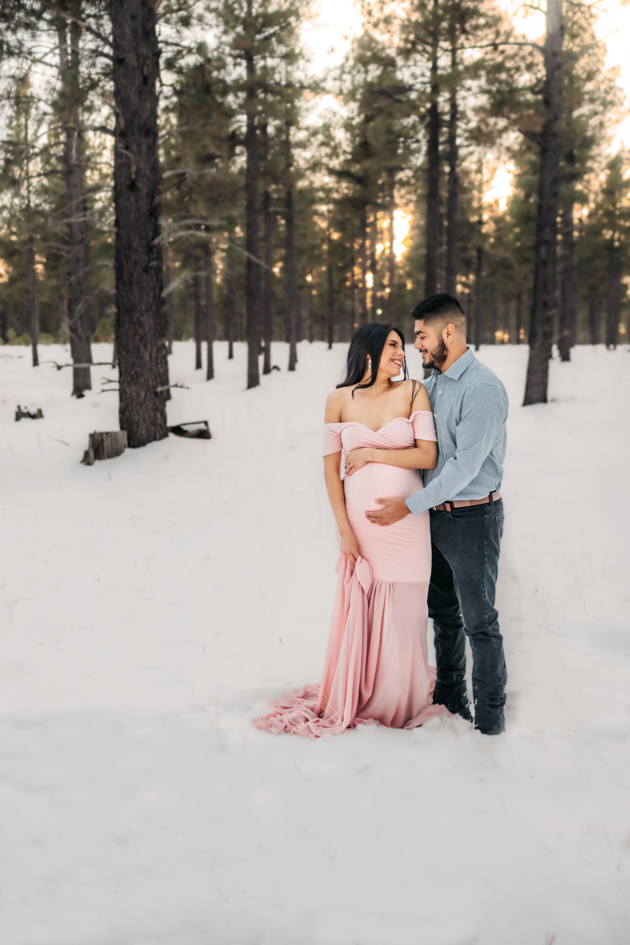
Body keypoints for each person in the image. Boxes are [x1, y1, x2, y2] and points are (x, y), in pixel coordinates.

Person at [253, 323, 449, 737]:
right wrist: (345, 530)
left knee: (407, 611)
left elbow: (427, 453)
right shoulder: (338, 399)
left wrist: (373, 450)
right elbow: (330, 471)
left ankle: (400, 698)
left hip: (407, 522)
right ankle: (364, 692)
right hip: (361, 526)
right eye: (393, 345)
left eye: (401, 346)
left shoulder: (413, 390)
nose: (402, 352)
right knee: (364, 604)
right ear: (369, 351)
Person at [366, 294, 508, 735]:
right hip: (434, 518)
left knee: (478, 621)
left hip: (472, 519)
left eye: (423, 336)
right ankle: (449, 699)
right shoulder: (433, 386)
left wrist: (407, 506)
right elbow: (419, 449)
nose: (417, 346)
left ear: (449, 332)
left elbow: (464, 467)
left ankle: (489, 718)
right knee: (443, 614)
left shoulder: (481, 388)